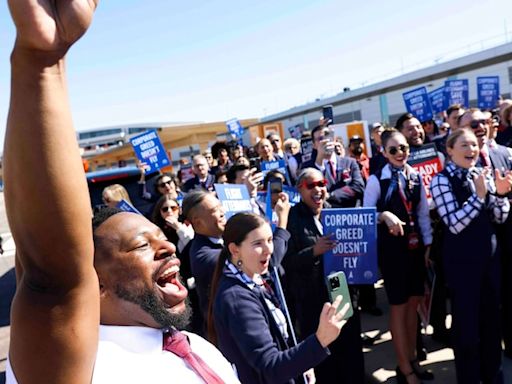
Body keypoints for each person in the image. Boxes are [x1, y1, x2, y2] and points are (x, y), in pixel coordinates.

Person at [4, 2, 239, 383]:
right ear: (95, 284)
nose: (166, 247)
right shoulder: (82, 367)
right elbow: (52, 279)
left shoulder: (197, 350)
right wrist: (42, 62)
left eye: (162, 237)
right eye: (140, 246)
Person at [208, 213, 350, 384]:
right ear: (234, 250)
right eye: (258, 243)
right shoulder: (237, 300)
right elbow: (271, 368)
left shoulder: (254, 276)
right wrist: (321, 339)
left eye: (269, 240)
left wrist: (302, 363)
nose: (269, 249)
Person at [431, 129, 511, 384]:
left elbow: (500, 217)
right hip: (462, 267)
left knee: (491, 327)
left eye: (475, 145)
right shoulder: (441, 180)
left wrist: (499, 194)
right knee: (467, 330)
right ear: (450, 150)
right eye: (464, 145)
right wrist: (478, 197)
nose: (471, 150)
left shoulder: (481, 175)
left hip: (489, 263)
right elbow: (453, 223)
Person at [363, 129, 433, 384]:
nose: (400, 153)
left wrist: (427, 244)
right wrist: (383, 215)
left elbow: (424, 213)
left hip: (415, 248)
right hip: (392, 251)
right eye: (393, 149)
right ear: (383, 152)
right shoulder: (376, 180)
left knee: (414, 304)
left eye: (403, 148)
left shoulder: (414, 176)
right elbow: (365, 216)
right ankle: (404, 368)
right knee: (399, 306)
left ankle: (413, 359)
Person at [283, 168, 365, 384]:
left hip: (340, 290)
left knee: (349, 350)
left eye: (322, 183)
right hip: (312, 298)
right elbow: (286, 263)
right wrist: (313, 251)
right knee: (324, 356)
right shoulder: (292, 217)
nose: (318, 189)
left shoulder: (337, 211)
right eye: (311, 185)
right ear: (300, 190)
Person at [301, 125, 365, 208]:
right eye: (320, 139)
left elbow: (358, 187)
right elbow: (307, 192)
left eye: (328, 137)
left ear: (334, 140)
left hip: (349, 212)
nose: (326, 141)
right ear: (314, 145)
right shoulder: (307, 167)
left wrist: (330, 195)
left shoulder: (349, 162)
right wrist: (319, 161)